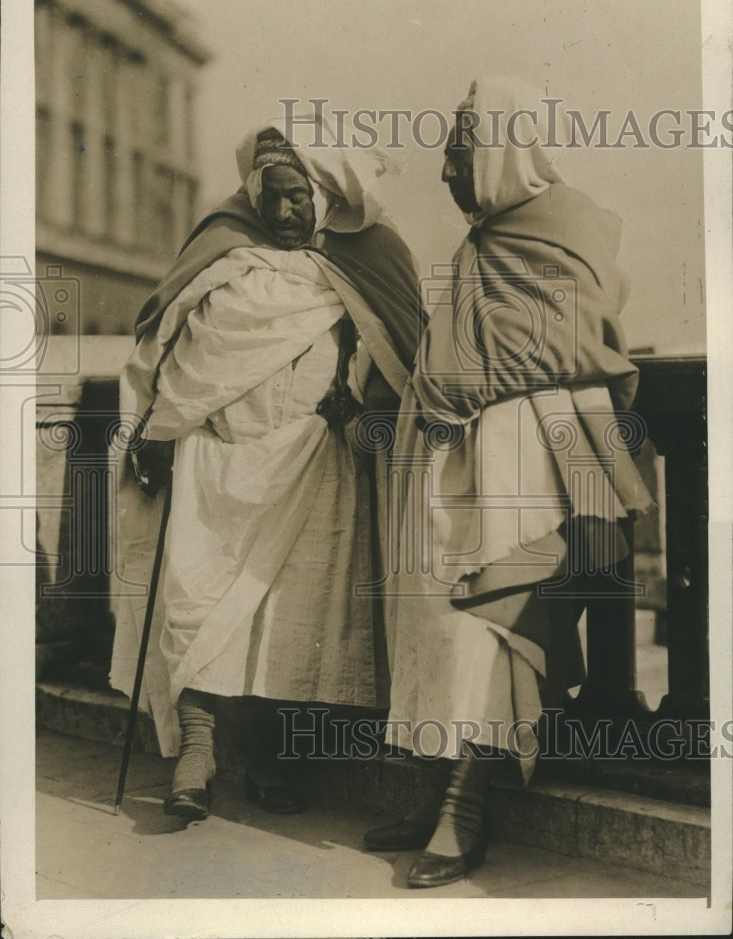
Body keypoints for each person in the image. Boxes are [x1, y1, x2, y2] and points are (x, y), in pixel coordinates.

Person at [363, 76, 653, 887]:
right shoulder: (480, 242)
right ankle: (428, 794)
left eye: (458, 156)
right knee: (425, 627)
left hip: (519, 460)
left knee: (483, 632)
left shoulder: (566, 234)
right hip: (435, 458)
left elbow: (584, 356)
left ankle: (463, 817)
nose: (447, 175)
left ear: (496, 154)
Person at [110, 107, 423, 821]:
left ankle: (272, 755)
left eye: (297, 195)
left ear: (324, 194)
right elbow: (166, 353)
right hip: (212, 461)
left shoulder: (362, 261)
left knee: (289, 618)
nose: (282, 209)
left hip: (312, 464)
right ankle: (196, 751)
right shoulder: (221, 256)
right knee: (194, 605)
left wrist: (357, 402)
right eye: (271, 193)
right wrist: (156, 429)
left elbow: (400, 360)